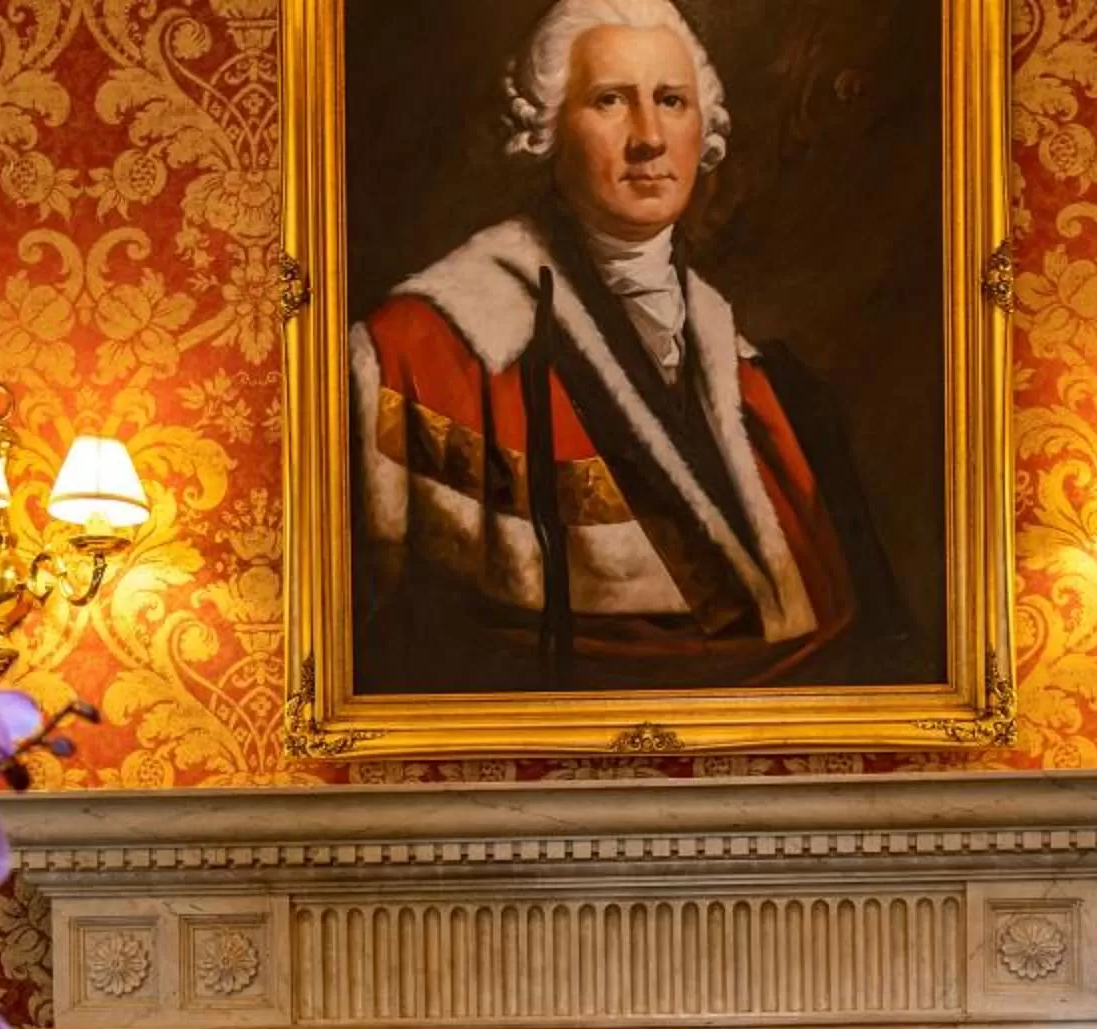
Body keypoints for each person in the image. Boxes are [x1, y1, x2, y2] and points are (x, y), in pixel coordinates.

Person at [349, 0, 910, 692]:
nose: (648, 137)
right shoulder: (424, 351)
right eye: (610, 100)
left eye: (671, 101)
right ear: (546, 125)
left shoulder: (775, 387)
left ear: (704, 128)